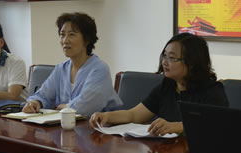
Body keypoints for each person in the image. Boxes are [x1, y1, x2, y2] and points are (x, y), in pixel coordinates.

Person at [89, 32, 229, 136]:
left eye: (172, 58)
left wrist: (177, 127)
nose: (164, 62)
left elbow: (214, 128)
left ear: (192, 63)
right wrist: (107, 116)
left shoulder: (212, 91)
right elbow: (134, 115)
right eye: (164, 55)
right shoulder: (167, 85)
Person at [22, 12, 121, 116]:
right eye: (62, 35)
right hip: (66, 124)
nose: (65, 40)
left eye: (72, 35)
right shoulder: (61, 69)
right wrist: (36, 102)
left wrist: (66, 107)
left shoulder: (100, 69)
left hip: (98, 125)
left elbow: (86, 106)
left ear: (87, 39)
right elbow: (43, 95)